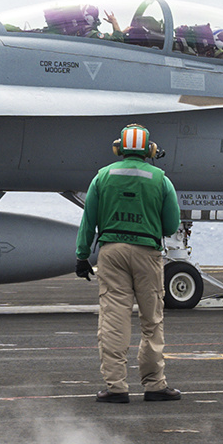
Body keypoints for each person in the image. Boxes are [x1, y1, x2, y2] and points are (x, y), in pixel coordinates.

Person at [74, 124, 182, 404]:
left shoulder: (103, 176)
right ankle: (155, 385)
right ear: (150, 150)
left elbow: (89, 221)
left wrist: (82, 254)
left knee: (113, 320)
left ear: (118, 148)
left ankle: (116, 387)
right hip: (147, 254)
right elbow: (171, 225)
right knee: (152, 321)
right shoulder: (161, 179)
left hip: (112, 254)